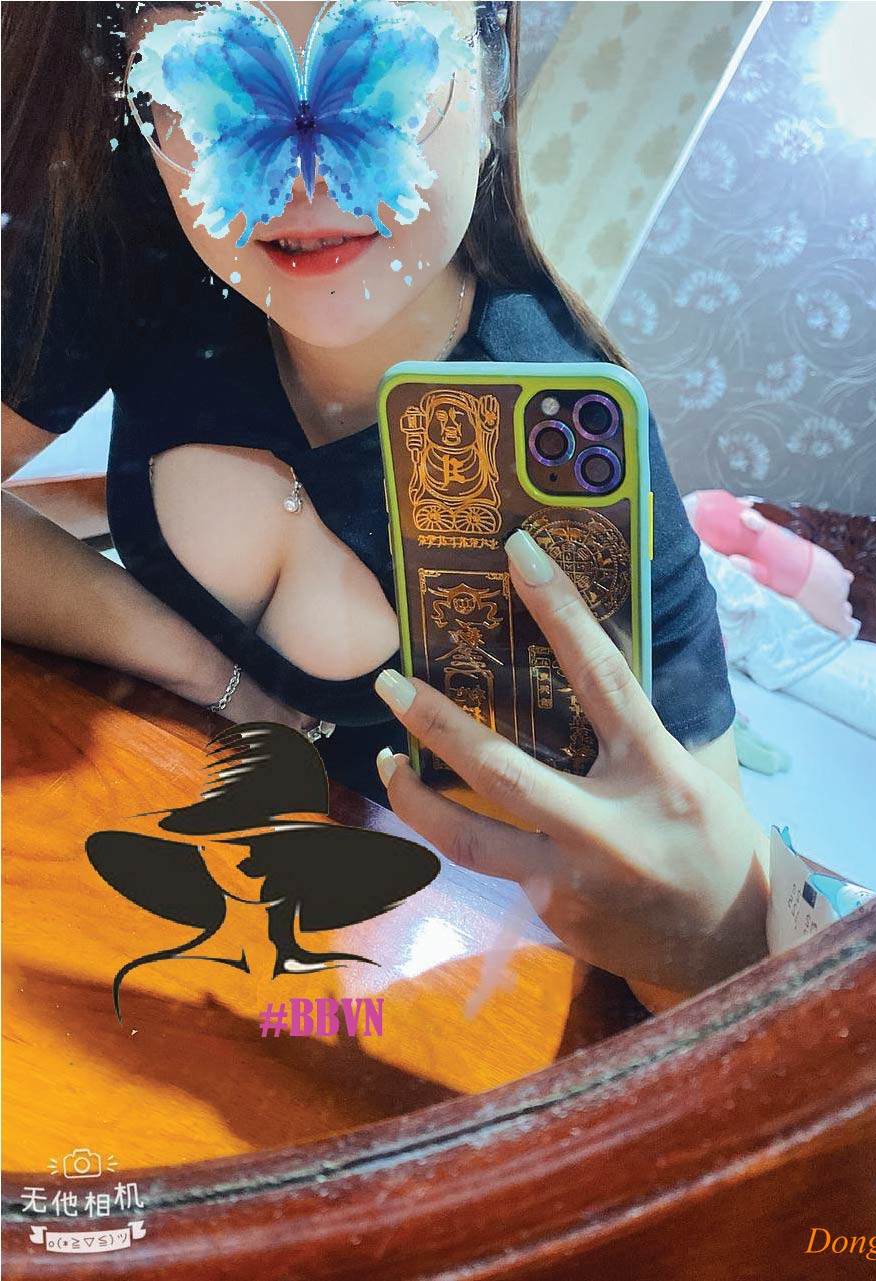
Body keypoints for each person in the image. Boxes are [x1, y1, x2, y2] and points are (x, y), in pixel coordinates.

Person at [1, 0, 771, 1009]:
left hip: (399, 985)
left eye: (381, 67)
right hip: (97, 871)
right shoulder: (139, 259)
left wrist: (722, 939)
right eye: (210, 77)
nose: (304, 179)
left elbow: (681, 913)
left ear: (492, 78)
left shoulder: (557, 449)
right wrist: (199, 666)